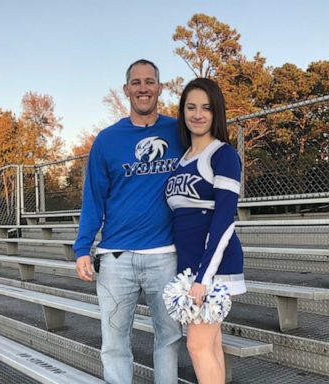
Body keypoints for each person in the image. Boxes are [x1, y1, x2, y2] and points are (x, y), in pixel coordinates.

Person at [74, 59, 184, 384]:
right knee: (114, 346)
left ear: (160, 88)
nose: (143, 88)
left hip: (165, 256)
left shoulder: (180, 132)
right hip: (115, 259)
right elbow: (93, 198)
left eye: (149, 81)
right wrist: (82, 247)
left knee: (169, 338)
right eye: (136, 83)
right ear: (126, 90)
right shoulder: (107, 140)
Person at [165, 78, 247, 384]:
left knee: (197, 345)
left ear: (217, 113)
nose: (198, 114)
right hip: (189, 265)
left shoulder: (222, 155)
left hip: (213, 266)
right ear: (183, 111)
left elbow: (225, 219)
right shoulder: (181, 159)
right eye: (191, 107)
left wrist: (204, 277)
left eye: (206, 108)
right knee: (210, 344)